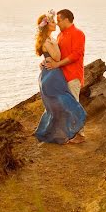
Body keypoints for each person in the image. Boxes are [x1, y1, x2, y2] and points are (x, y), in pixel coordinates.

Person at [33, 10, 86, 144]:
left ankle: (80, 134)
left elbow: (76, 55)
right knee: (60, 106)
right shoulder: (60, 35)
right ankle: (62, 133)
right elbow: (55, 55)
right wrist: (46, 60)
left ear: (67, 19)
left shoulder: (78, 34)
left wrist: (57, 64)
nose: (57, 23)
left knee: (73, 104)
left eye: (59, 20)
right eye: (55, 20)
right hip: (60, 76)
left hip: (73, 75)